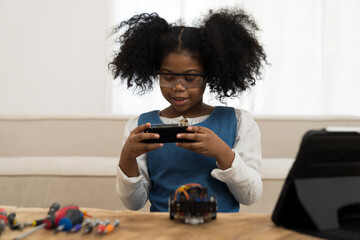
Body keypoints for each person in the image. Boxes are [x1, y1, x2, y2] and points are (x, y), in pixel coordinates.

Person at [109, 8, 268, 212]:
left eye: (190, 78)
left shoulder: (239, 122)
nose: (178, 87)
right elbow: (134, 203)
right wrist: (127, 157)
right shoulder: (139, 126)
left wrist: (222, 153)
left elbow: (251, 196)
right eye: (168, 77)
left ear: (208, 75)